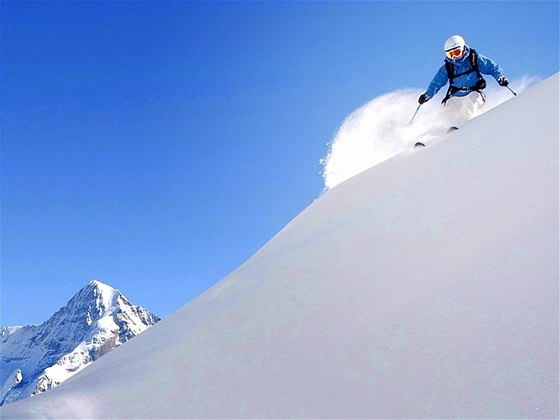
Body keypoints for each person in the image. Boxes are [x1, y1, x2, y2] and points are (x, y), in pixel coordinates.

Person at [418, 35, 509, 124]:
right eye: (450, 54)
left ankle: (465, 128)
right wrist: (427, 95)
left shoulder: (473, 59)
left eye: (456, 52)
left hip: (474, 93)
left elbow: (491, 67)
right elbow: (437, 82)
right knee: (448, 108)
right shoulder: (448, 67)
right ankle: (447, 131)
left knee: (469, 104)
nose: (454, 57)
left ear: (463, 49)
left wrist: (500, 77)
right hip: (456, 95)